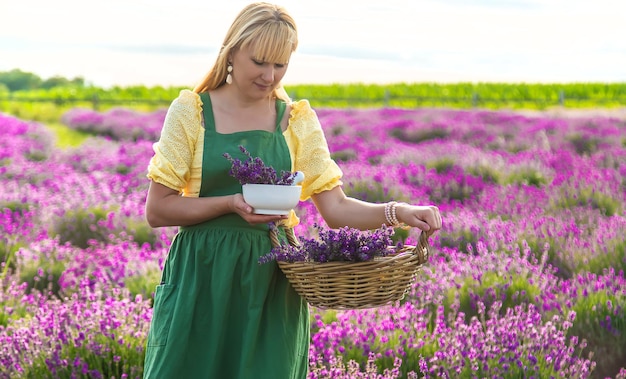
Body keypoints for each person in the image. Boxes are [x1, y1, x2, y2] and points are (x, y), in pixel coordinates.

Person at [142, 2, 442, 378]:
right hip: (202, 277)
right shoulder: (192, 112)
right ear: (232, 50)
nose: (270, 75)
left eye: (280, 64)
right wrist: (232, 204)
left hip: (272, 281)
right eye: (260, 61)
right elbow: (158, 210)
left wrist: (397, 211)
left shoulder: (296, 120)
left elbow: (336, 207)